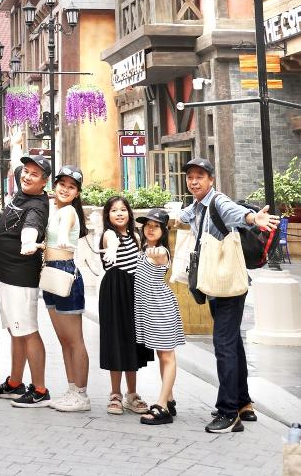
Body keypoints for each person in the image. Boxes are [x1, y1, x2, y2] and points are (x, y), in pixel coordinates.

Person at [180, 157, 279, 433]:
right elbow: (183, 217)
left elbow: (238, 214)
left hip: (228, 284)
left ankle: (228, 413)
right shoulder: (196, 207)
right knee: (232, 342)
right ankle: (243, 402)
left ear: (211, 179)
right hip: (216, 282)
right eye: (190, 177)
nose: (194, 181)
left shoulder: (218, 201)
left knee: (223, 343)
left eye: (200, 176)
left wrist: (254, 218)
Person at [0, 154, 50, 408]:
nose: (26, 176)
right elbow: (18, 170)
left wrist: (28, 241)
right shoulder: (22, 189)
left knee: (27, 331)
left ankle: (40, 389)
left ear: (44, 182)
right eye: (25, 171)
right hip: (6, 276)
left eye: (34, 174)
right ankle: (15, 383)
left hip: (20, 279)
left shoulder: (36, 205)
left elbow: (31, 227)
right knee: (15, 330)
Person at [99, 195, 152, 416]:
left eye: (123, 209)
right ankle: (115, 394)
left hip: (134, 291)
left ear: (129, 213)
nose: (119, 213)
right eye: (114, 210)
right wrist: (112, 251)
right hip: (114, 291)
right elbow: (111, 243)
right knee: (116, 340)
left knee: (132, 342)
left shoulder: (135, 236)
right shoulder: (109, 234)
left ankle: (132, 394)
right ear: (108, 215)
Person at [44, 166, 90, 413]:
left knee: (75, 340)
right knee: (64, 340)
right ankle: (72, 389)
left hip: (65, 273)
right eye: (62, 184)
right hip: (50, 274)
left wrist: (62, 237)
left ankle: (81, 394)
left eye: (71, 187)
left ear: (77, 193)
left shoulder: (69, 211)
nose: (65, 189)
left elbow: (64, 229)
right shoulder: (53, 209)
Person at [133, 208, 184, 426]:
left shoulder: (160, 251)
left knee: (167, 355)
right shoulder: (145, 247)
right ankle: (169, 399)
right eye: (147, 225)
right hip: (148, 308)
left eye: (156, 226)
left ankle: (162, 406)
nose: (150, 229)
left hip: (160, 307)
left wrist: (156, 253)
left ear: (164, 230)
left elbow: (160, 256)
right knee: (162, 354)